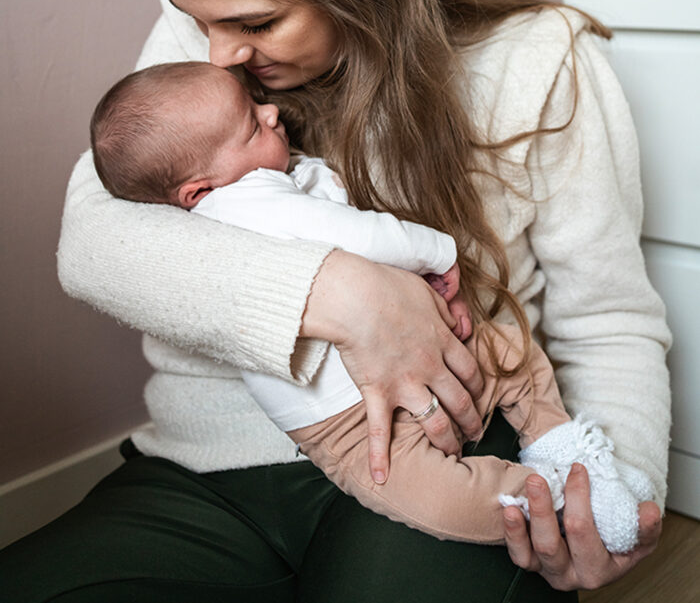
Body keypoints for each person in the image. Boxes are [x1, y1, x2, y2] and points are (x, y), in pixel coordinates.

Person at [1, 0, 670, 602]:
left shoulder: (539, 62)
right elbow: (94, 240)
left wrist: (615, 497)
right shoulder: (208, 30)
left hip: (443, 453)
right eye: (191, 12)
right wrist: (340, 293)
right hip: (212, 470)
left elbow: (608, 320)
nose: (218, 56)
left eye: (254, 23)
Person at [88, 59, 653, 553]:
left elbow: (611, 315)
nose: (271, 113)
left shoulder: (248, 178)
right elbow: (360, 235)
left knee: (436, 494)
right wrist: (438, 252)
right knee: (505, 372)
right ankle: (566, 477)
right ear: (199, 191)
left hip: (403, 385)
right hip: (353, 422)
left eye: (258, 104)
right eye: (251, 125)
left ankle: (556, 485)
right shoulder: (245, 202)